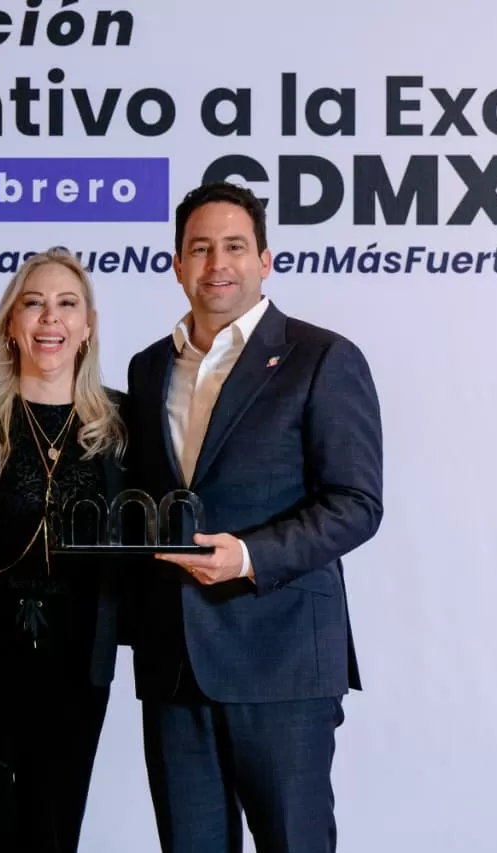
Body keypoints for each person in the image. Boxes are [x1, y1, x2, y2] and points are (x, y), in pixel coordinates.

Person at [123, 181, 384, 853]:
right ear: (176, 264)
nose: (217, 264)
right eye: (200, 248)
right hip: (175, 664)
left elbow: (356, 503)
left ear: (265, 260)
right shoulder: (148, 368)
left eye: (235, 246)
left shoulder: (322, 357)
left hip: (282, 659)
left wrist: (248, 556)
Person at [0, 248, 130, 853]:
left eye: (67, 305)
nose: (49, 318)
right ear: (11, 321)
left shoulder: (122, 422)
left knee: (53, 833)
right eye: (33, 303)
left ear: (87, 325)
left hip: (74, 666)